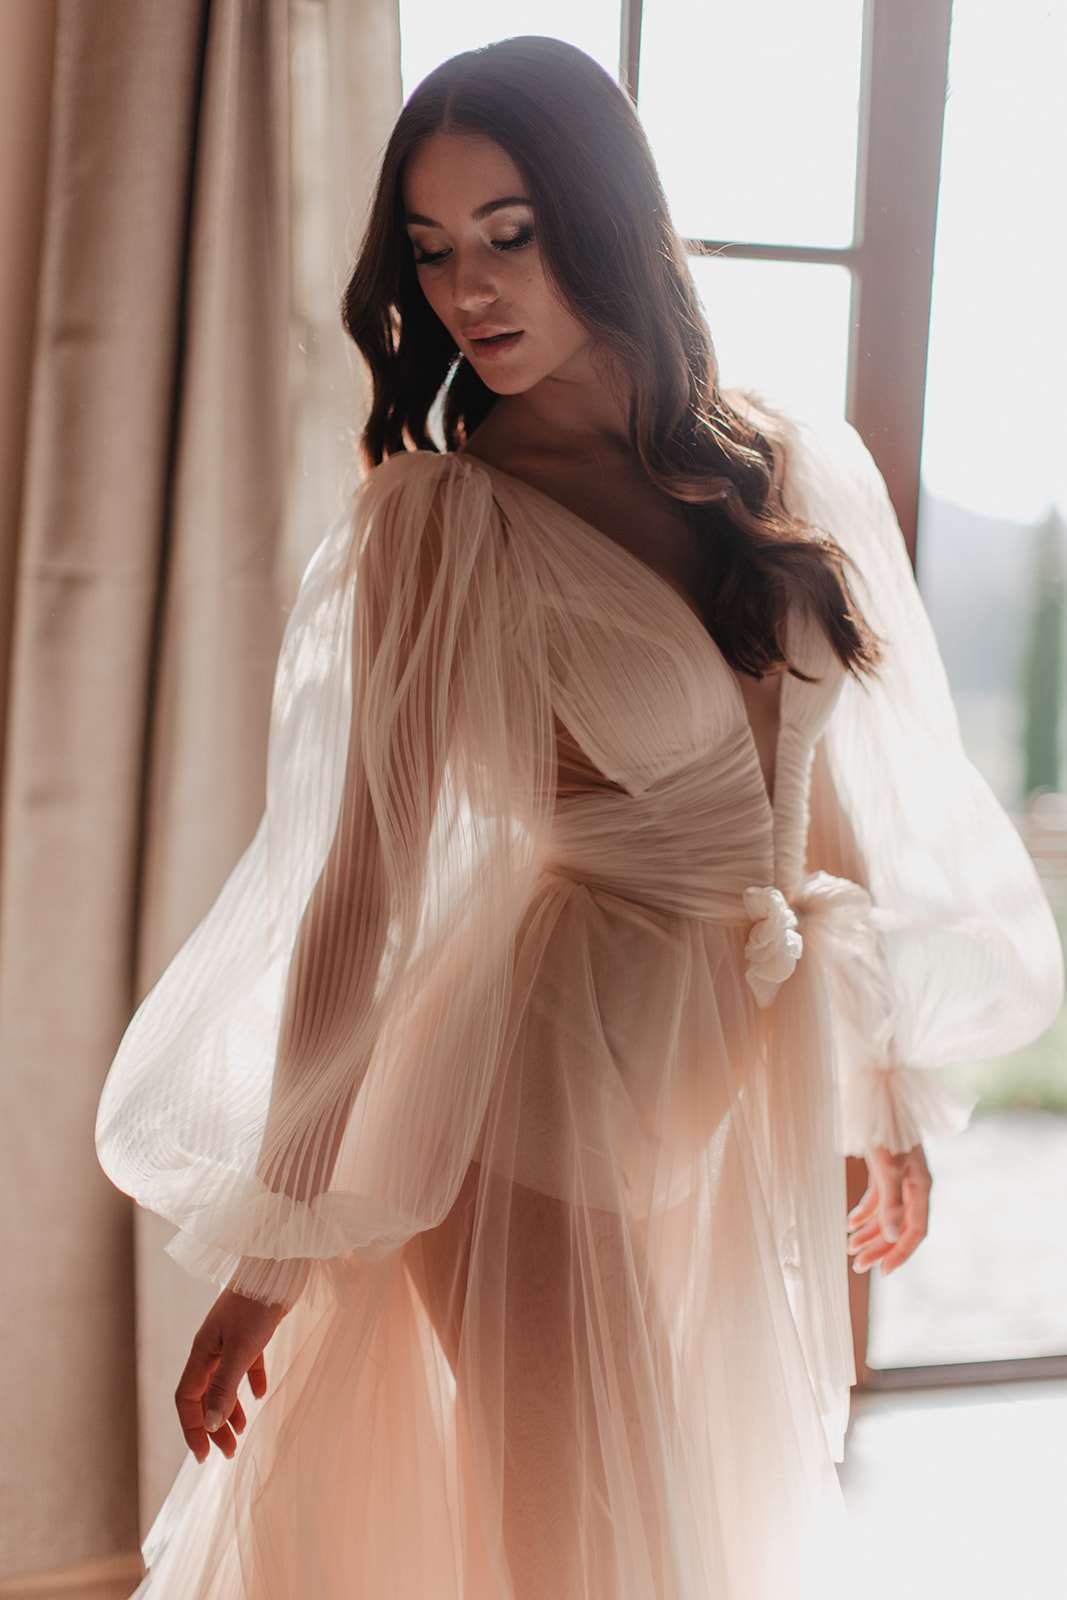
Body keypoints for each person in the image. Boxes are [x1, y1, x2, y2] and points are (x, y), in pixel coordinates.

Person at [94, 34, 1064, 1600]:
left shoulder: (780, 466)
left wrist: (880, 1083)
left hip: (711, 1095)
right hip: (518, 1111)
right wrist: (276, 1248)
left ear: (605, 220)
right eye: (432, 250)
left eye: (509, 232)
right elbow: (362, 889)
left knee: (684, 1535)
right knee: (609, 1556)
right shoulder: (443, 522)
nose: (468, 291)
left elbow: (810, 797)